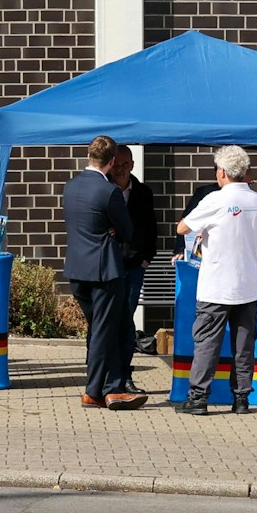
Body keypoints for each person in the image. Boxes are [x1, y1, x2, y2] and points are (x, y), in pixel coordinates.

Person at [173, 145, 257, 415]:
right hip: (247, 284)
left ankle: (198, 398)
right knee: (244, 345)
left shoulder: (215, 199)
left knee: (207, 343)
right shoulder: (254, 200)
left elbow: (182, 227)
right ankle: (241, 399)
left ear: (222, 172)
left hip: (216, 284)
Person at [62, 135, 145, 410]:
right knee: (103, 331)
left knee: (100, 329)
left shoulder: (70, 186)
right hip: (104, 271)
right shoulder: (109, 191)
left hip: (76, 269)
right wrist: (112, 229)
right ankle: (98, 390)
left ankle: (107, 388)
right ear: (111, 161)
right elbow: (128, 232)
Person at [107, 144, 158, 390]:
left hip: (133, 267)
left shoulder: (142, 192)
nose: (120, 169)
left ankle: (124, 376)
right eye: (116, 164)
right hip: (105, 267)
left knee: (126, 323)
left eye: (125, 164)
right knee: (105, 322)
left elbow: (152, 229)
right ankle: (102, 376)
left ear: (132, 166)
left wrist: (145, 259)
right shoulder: (102, 189)